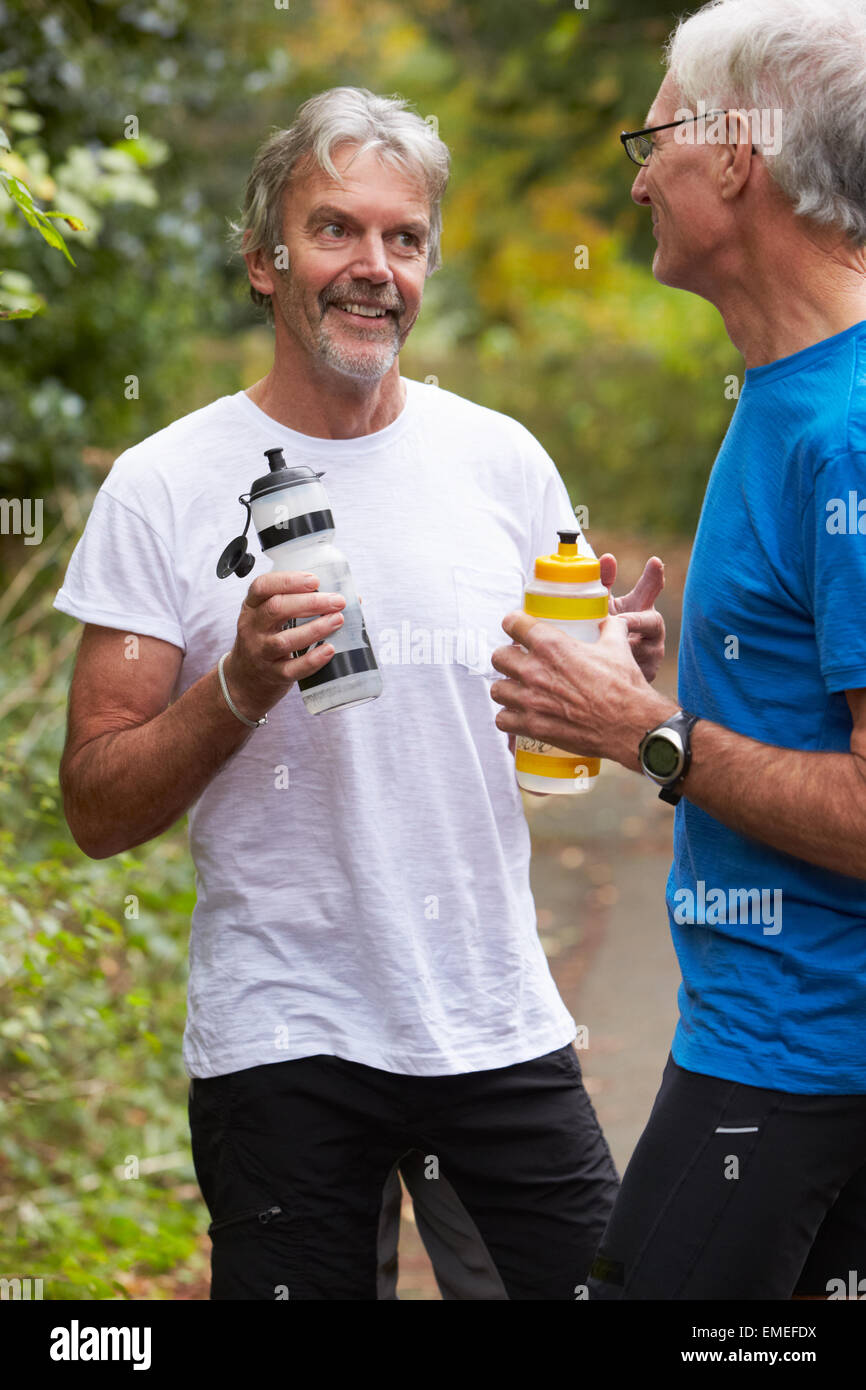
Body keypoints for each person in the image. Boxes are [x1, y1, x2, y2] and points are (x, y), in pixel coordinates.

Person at [53, 87, 664, 1300]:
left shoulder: (500, 459)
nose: (372, 267)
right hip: (283, 1036)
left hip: (492, 1014)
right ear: (262, 260)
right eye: (334, 229)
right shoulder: (163, 483)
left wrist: (605, 680)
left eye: (404, 237)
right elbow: (96, 804)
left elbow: (562, 721)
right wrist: (233, 685)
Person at [491, 0, 866, 1301]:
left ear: (735, 159)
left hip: (799, 1061)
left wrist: (634, 729)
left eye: (652, 135)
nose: (638, 172)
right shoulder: (788, 391)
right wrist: (652, 686)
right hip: (782, 1047)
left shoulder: (848, 427)